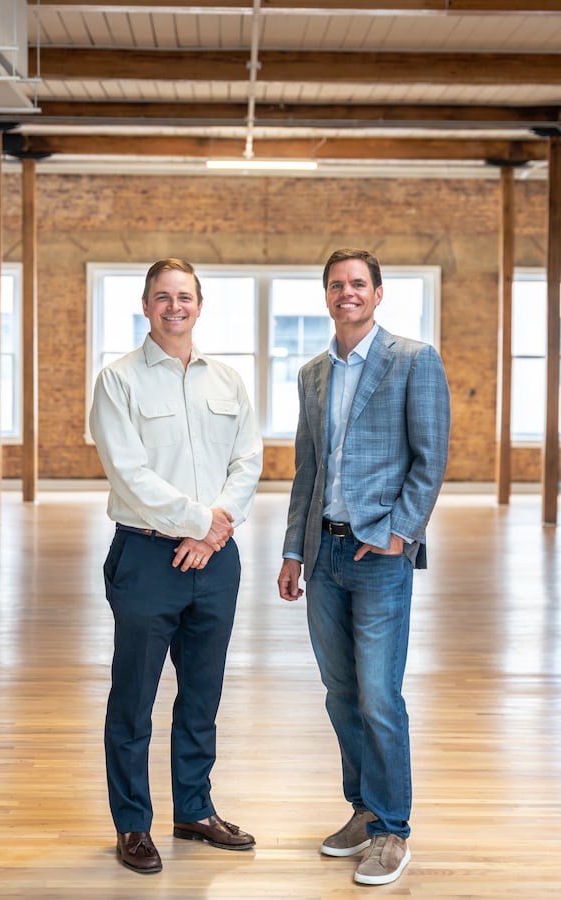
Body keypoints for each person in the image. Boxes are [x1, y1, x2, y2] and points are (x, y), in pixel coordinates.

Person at [278, 248, 450, 887]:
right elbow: (307, 470)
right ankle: (363, 808)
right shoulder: (312, 373)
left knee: (380, 697)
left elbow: (429, 460)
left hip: (379, 555)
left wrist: (399, 535)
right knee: (341, 692)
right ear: (326, 296)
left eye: (357, 284)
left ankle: (392, 830)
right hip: (323, 557)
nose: (346, 293)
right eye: (335, 285)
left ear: (378, 294)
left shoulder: (413, 359)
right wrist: (294, 551)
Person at [89, 258, 263, 874]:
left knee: (202, 695)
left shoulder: (226, 381)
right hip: (146, 557)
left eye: (184, 296)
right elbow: (128, 474)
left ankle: (193, 808)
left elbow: (249, 460)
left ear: (199, 303)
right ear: (145, 305)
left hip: (216, 561)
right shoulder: (118, 381)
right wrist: (202, 522)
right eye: (162, 297)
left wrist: (213, 534)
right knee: (133, 700)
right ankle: (133, 823)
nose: (174, 307)